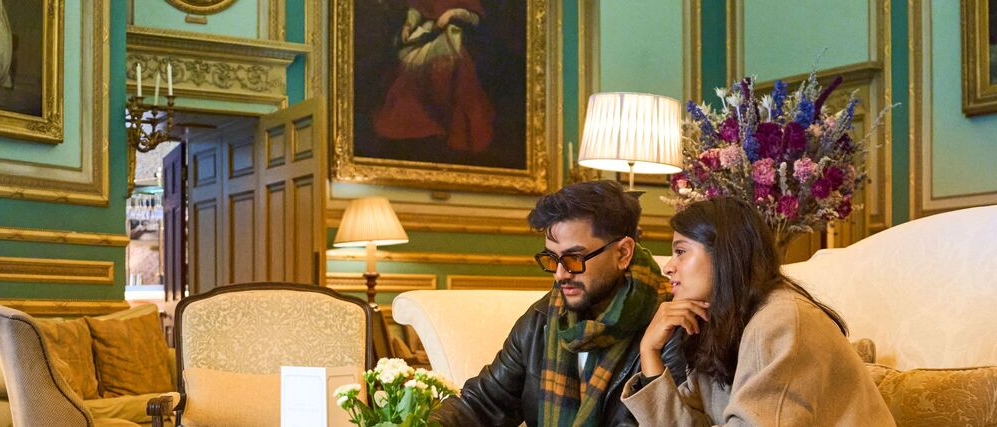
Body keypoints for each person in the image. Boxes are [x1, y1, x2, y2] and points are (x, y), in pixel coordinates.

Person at [623, 197, 893, 426]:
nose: (669, 266)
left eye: (681, 251)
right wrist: (649, 351)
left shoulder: (782, 320)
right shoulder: (726, 326)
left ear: (724, 254)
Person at [431, 180, 676, 426]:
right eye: (552, 259)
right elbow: (482, 404)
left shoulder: (668, 327)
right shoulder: (542, 317)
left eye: (574, 258)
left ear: (622, 253)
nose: (560, 274)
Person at [371, 0, 496, 153]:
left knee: (449, 67)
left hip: (454, 33)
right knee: (409, 69)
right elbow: (417, 9)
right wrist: (409, 25)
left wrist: (453, 13)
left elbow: (475, 18)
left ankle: (448, 124)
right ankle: (417, 122)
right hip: (426, 33)